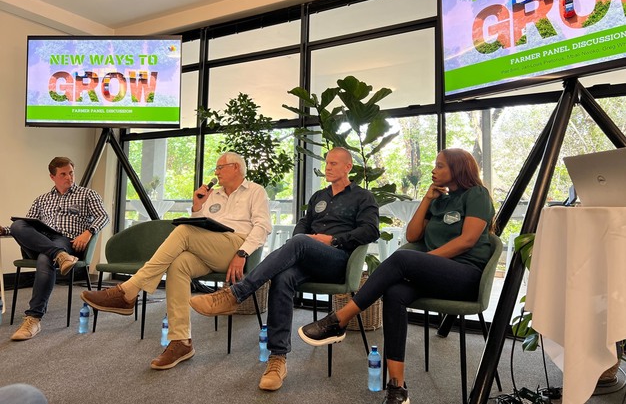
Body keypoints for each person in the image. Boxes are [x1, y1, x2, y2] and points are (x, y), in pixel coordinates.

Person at [298, 148, 495, 404]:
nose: (433, 170)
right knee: (394, 293)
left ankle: (340, 319)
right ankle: (397, 387)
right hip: (434, 275)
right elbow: (412, 235)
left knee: (403, 258)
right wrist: (427, 199)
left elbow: (467, 240)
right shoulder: (439, 200)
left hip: (465, 276)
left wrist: (423, 261)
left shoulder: (477, 194)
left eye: (440, 166)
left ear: (458, 169)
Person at [189, 147, 380, 391]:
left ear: (348, 167)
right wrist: (305, 240)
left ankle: (236, 293)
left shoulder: (363, 197)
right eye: (327, 163)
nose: (328, 167)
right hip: (308, 258)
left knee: (299, 242)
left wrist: (332, 240)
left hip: (338, 260)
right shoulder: (319, 197)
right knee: (283, 276)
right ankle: (277, 358)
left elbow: (370, 230)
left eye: (333, 163)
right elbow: (303, 224)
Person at [81, 152, 272, 370]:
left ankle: (129, 290)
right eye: (216, 168)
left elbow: (263, 227)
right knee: (178, 264)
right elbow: (200, 227)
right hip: (209, 248)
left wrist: (242, 253)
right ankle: (181, 341)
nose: (216, 172)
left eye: (220, 167)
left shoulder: (255, 191)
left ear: (236, 167)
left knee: (183, 231)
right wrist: (197, 207)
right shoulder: (214, 195)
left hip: (235, 247)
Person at [8, 157, 109, 341]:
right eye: (63, 174)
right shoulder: (42, 199)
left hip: (67, 241)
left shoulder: (87, 194)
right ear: (52, 177)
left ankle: (33, 318)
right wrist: (5, 230)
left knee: (46, 257)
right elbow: (29, 225)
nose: (69, 177)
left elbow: (103, 216)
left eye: (71, 173)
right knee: (17, 225)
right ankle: (59, 255)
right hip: (42, 240)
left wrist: (88, 232)